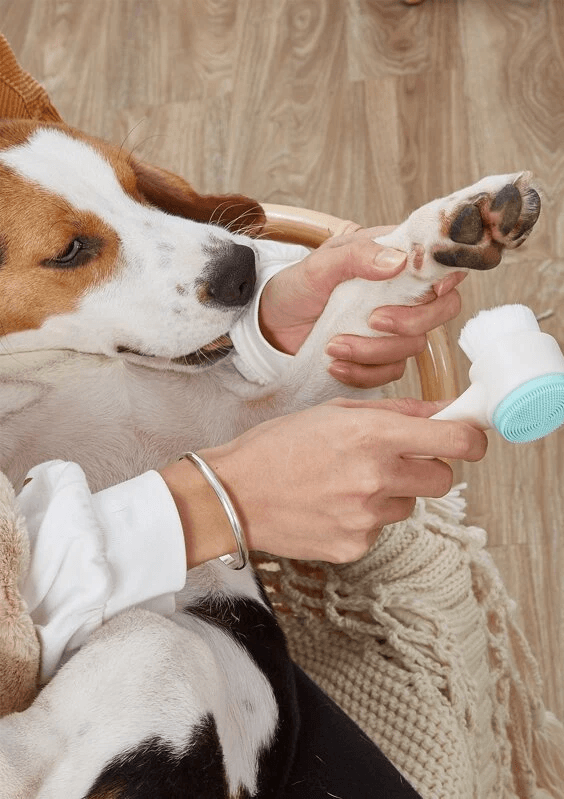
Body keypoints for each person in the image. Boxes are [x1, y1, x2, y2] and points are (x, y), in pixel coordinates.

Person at [16, 228, 486, 798]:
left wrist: (259, 331)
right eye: (69, 251)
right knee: (157, 660)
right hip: (171, 702)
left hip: (223, 689)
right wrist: (213, 503)